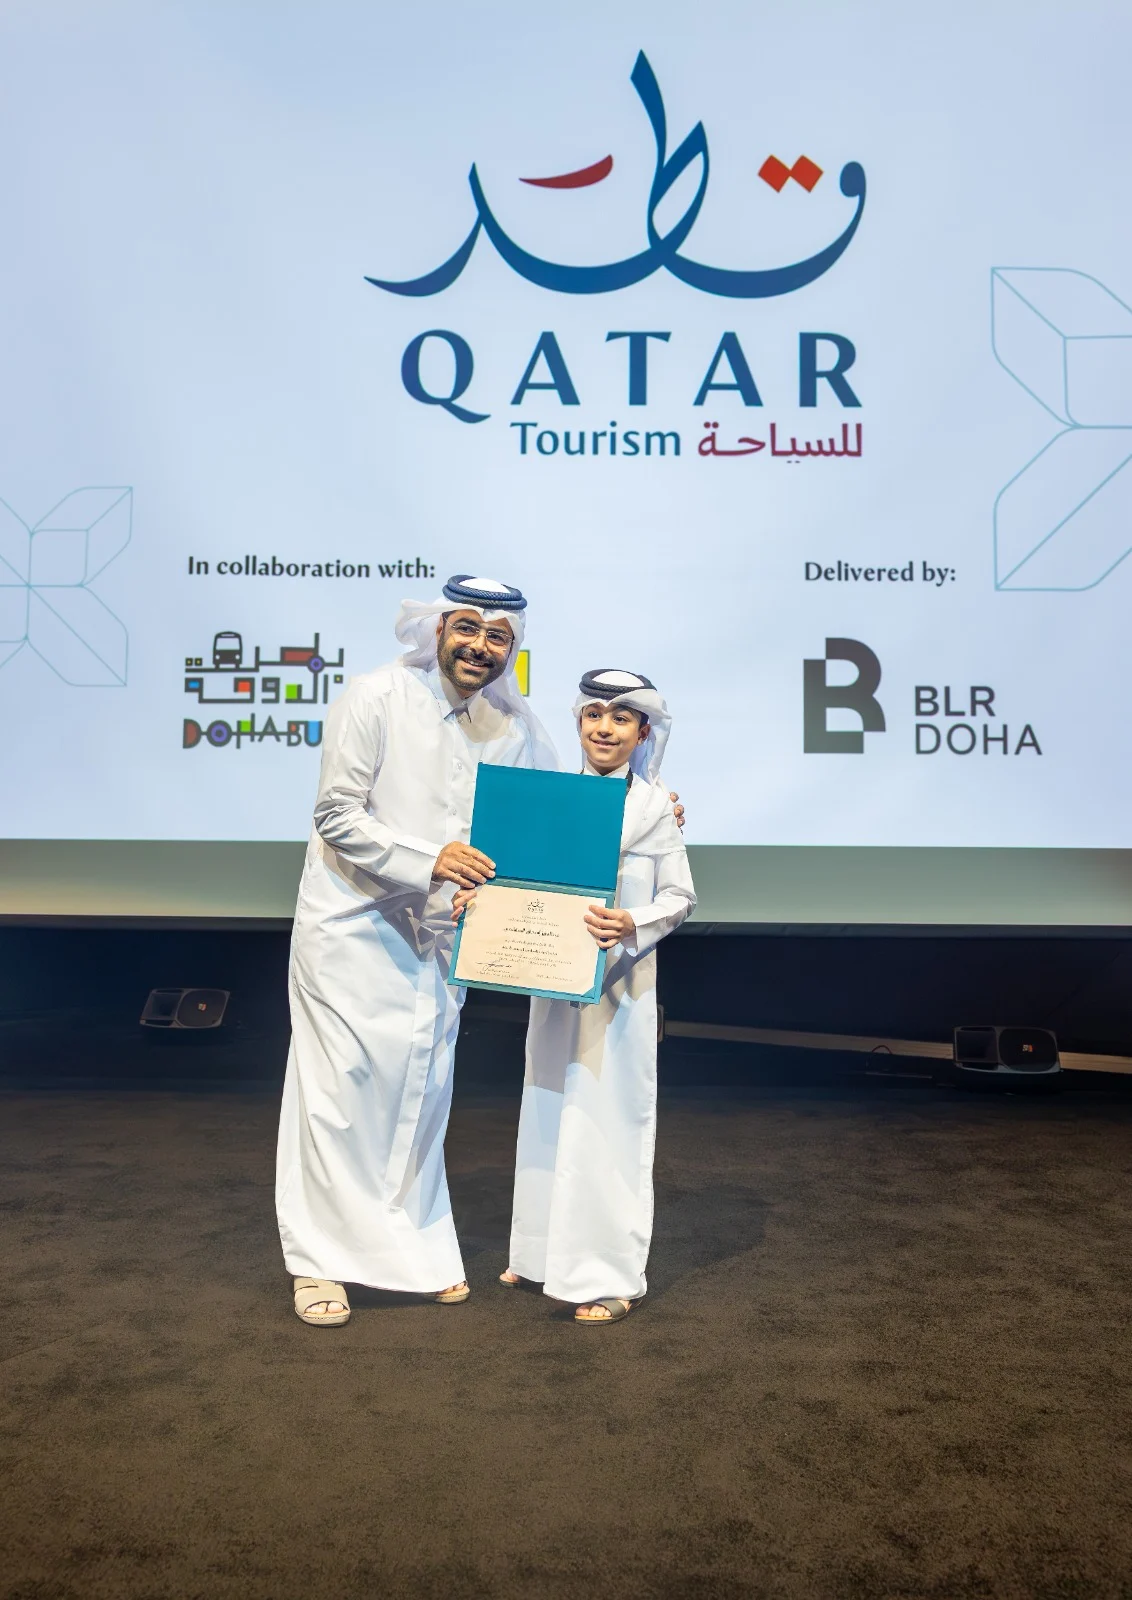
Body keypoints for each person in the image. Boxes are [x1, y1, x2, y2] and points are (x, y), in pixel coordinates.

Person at [276, 575, 557, 1327]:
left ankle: (412, 1258)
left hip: (441, 934)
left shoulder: (515, 727)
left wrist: (646, 804)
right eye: (467, 629)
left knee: (421, 1092)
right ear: (437, 631)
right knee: (337, 1097)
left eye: (497, 637)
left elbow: (556, 820)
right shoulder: (375, 697)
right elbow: (337, 814)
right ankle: (319, 1265)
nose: (480, 646)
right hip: (351, 924)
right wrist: (431, 859)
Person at [454, 669, 695, 1325]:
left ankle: (609, 1276)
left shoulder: (655, 806)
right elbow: (519, 880)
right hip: (553, 981)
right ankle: (538, 1255)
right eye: (593, 715)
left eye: (620, 719)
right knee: (546, 1105)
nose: (604, 729)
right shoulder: (552, 797)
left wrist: (632, 922)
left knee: (607, 1121)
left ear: (643, 732)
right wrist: (483, 907)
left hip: (620, 990)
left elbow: (680, 897)